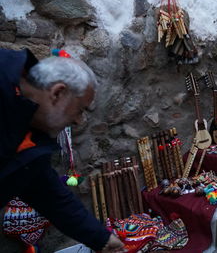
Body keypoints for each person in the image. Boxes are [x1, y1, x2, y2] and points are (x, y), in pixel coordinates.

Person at [0, 48, 125, 252]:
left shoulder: (31, 133)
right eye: (80, 110)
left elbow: (49, 194)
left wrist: (101, 238)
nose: (78, 121)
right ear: (57, 93)